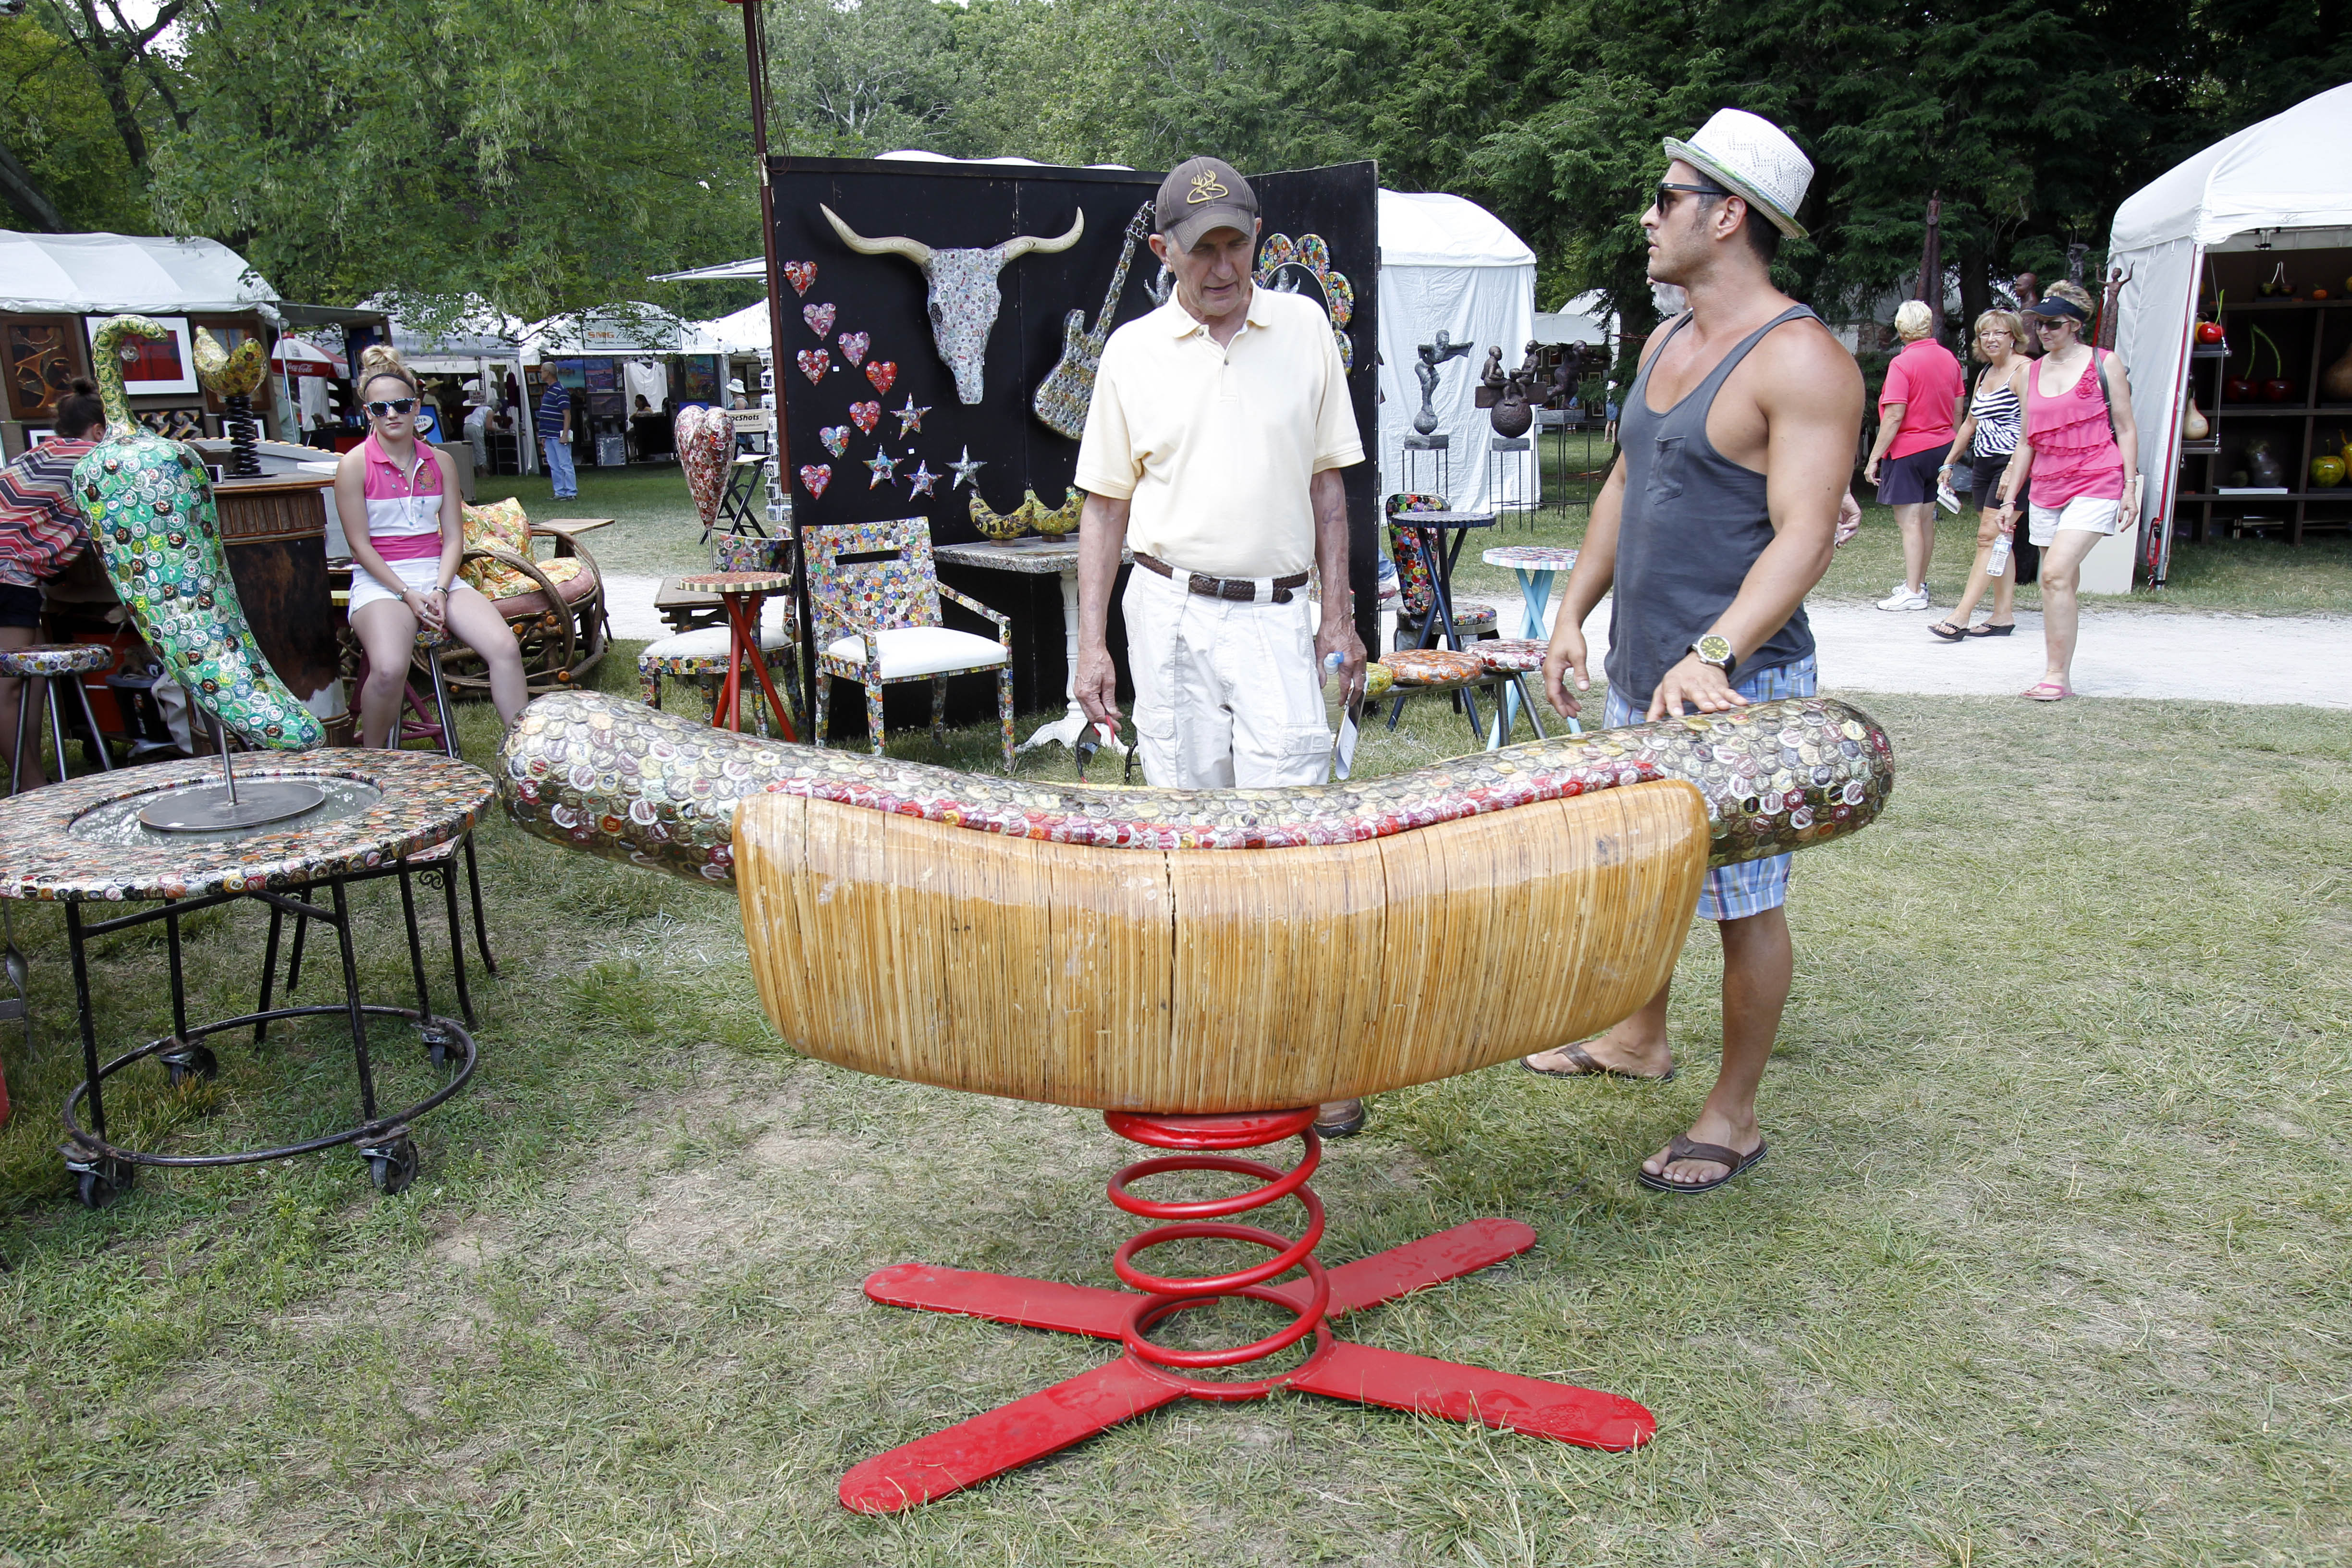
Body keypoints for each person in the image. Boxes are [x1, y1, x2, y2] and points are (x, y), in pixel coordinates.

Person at [1524, 108, 1863, 1194]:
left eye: (1665, 198)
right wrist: (1573, 608)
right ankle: (1635, 1039)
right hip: (1643, 670)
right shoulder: (1668, 339)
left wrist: (1716, 649)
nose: (1646, 215)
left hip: (1739, 685)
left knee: (1742, 900)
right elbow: (1628, 479)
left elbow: (1806, 531)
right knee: (1646, 881)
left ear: (1726, 217)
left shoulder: (1803, 360)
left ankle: (1734, 1112)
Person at [1071, 153, 1368, 1137]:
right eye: (1202, 249)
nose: (1223, 265)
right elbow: (1105, 506)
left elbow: (1332, 483)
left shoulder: (1307, 331)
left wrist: (1340, 613)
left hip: (1282, 615)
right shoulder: (1131, 354)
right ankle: (1200, 1047)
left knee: (1294, 838)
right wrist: (1092, 645)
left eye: (1237, 242)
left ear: (1256, 240)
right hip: (1168, 612)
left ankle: (1315, 1056)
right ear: (1166, 253)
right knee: (1185, 834)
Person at [334, 346, 529, 747]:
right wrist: (408, 593)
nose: (392, 415)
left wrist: (440, 589)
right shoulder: (354, 465)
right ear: (367, 412)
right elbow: (360, 545)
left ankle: (522, 757)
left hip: (436, 574)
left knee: (505, 647)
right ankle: (376, 765)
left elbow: (453, 537)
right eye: (379, 408)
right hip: (381, 580)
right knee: (388, 669)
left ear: (417, 406)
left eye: (402, 405)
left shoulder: (440, 462)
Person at [1990, 281, 2139, 700]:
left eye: (2053, 324)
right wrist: (2009, 498)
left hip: (2097, 475)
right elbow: (2026, 440)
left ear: (2074, 325)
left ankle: (2055, 677)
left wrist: (2129, 487)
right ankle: (2060, 673)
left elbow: (2126, 428)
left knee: (2053, 573)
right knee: (2060, 582)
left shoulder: (2104, 364)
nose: (2044, 332)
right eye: (2039, 325)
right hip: (2047, 485)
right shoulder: (2031, 372)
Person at [0, 380, 104, 787]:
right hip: (8, 576)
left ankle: (38, 778)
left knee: (34, 671)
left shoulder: (39, 453)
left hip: (13, 575)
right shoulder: (90, 458)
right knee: (10, 685)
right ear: (98, 430)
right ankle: (31, 788)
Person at [1927, 310, 2034, 639]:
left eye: (1998, 333)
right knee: (2002, 538)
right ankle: (2003, 615)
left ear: (2013, 335)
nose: (1990, 340)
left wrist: (2015, 469)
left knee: (1989, 537)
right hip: (1985, 463)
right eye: (1984, 334)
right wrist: (1949, 462)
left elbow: (2031, 427)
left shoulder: (2024, 370)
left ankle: (1961, 615)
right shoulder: (1986, 372)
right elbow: (1971, 423)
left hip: (2012, 462)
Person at [1864, 300, 1965, 611]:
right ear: (1929, 324)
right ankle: (1918, 584)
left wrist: (1874, 458)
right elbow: (1959, 408)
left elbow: (1894, 415)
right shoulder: (1949, 359)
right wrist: (1952, 449)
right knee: (1925, 520)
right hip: (1941, 445)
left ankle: (1912, 591)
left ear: (1901, 330)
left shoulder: (1902, 364)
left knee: (1909, 523)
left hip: (1909, 449)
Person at [534, 365, 578, 500]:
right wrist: (544, 435)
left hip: (558, 434)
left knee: (565, 463)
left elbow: (567, 414)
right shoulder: (550, 390)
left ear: (548, 373)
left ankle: (571, 492)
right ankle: (560, 492)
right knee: (554, 465)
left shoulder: (560, 390)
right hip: (549, 435)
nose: (540, 374)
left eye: (542, 371)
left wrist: (565, 435)